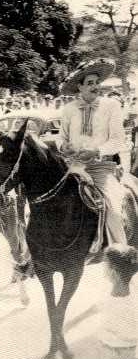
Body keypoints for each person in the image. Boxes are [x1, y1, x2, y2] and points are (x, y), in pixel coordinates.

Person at [57, 58, 128, 250]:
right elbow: (61, 137)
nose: (96, 86)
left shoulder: (111, 106)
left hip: (100, 169)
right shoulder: (68, 109)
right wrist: (63, 147)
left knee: (112, 208)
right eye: (90, 83)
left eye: (97, 82)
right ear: (79, 87)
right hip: (72, 167)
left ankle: (121, 254)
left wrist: (97, 150)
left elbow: (117, 140)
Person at [96, 243, 138, 359]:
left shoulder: (107, 297)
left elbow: (93, 309)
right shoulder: (134, 295)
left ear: (113, 272)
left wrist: (69, 324)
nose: (103, 269)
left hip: (112, 350)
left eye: (105, 265)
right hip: (127, 350)